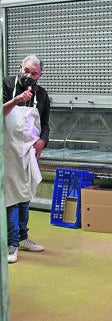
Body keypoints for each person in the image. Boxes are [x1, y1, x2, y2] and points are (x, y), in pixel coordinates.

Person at [3, 54, 50, 264]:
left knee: (25, 195)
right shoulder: (5, 85)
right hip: (7, 151)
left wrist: (42, 141)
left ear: (40, 75)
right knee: (11, 198)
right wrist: (16, 100)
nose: (29, 76)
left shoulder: (42, 95)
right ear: (20, 68)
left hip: (28, 152)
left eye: (34, 74)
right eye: (26, 71)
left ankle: (23, 238)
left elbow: (46, 123)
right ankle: (11, 243)